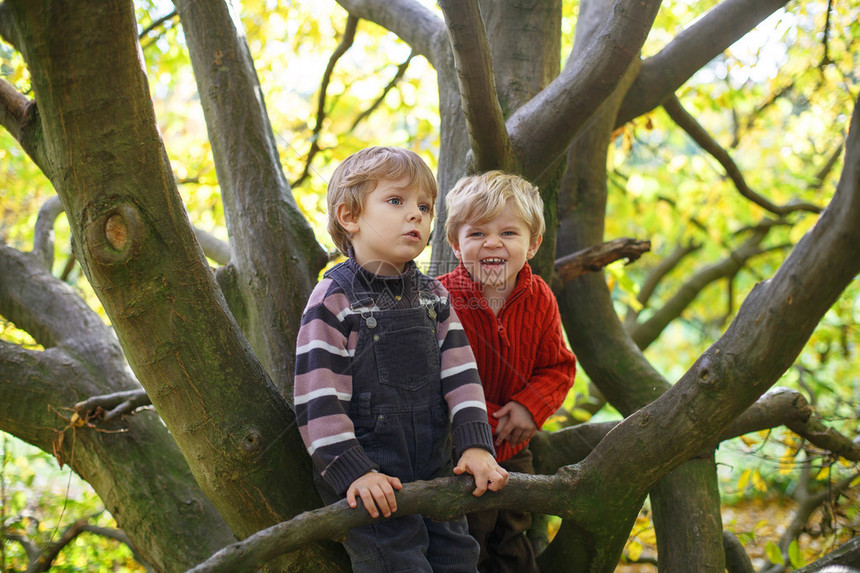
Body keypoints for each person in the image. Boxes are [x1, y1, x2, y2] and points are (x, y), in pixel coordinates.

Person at [294, 147, 509, 572]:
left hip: (436, 471)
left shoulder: (434, 297)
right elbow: (316, 399)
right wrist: (354, 472)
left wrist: (475, 445)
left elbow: (463, 378)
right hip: (374, 486)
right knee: (396, 564)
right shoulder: (334, 299)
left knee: (459, 559)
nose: (416, 215)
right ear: (350, 217)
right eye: (396, 201)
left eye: (425, 207)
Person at [439, 170, 577, 573]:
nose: (493, 243)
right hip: (455, 448)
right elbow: (430, 377)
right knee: (469, 539)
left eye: (509, 233)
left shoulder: (540, 299)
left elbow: (558, 366)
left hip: (513, 447)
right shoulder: (440, 298)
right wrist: (479, 416)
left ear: (533, 244)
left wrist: (529, 407)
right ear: (455, 243)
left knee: (513, 538)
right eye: (477, 233)